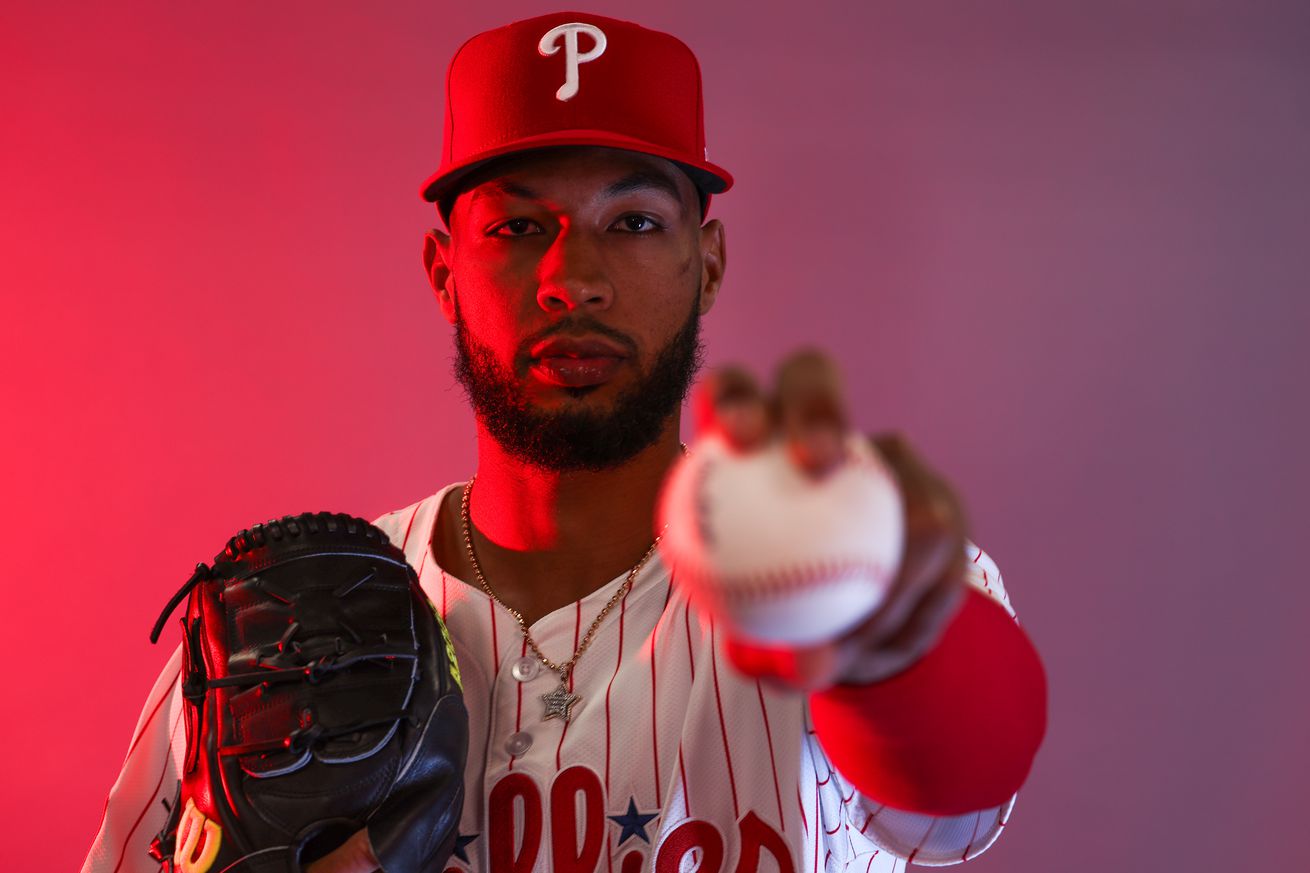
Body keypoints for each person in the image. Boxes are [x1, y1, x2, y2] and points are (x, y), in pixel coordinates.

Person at [83, 12, 1046, 873]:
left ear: (707, 264)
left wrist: (868, 611)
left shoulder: (843, 571)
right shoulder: (260, 634)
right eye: (516, 224)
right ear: (442, 271)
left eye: (632, 221)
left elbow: (959, 804)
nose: (572, 278)